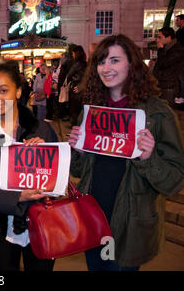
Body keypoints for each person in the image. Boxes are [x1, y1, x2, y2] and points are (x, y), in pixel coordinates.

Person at [68, 34, 184, 271]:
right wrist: (77, 151)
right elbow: (79, 171)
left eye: (114, 60)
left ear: (132, 64)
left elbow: (174, 181)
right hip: (94, 219)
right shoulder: (92, 112)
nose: (106, 68)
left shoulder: (157, 113)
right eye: (101, 62)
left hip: (130, 224)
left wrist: (148, 159)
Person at [0, 62, 58, 271]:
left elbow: (59, 185)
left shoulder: (41, 129)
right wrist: (17, 198)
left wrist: (50, 160)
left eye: (3, 90)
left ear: (18, 91)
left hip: (41, 225)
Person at [153, 27, 184, 109]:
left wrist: (160, 49)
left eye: (160, 37)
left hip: (169, 86)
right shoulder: (167, 49)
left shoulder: (178, 49)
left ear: (169, 38)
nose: (157, 40)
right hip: (162, 84)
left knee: (167, 111)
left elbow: (164, 63)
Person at [67, 45, 87, 126]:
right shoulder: (85, 63)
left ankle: (75, 127)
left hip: (76, 88)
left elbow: (69, 75)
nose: (73, 55)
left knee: (74, 110)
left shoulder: (77, 64)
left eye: (73, 53)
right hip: (83, 88)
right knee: (80, 110)